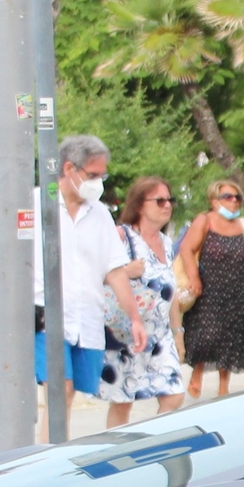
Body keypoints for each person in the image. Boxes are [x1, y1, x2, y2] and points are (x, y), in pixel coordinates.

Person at [34, 134, 143, 414]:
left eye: (102, 176)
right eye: (92, 175)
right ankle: (49, 455)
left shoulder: (100, 214)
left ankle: (54, 449)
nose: (98, 183)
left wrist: (134, 317)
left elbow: (115, 270)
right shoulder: (36, 205)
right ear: (69, 169)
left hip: (87, 319)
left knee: (70, 396)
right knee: (60, 390)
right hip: (47, 318)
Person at [101, 177, 189, 427]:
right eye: (159, 201)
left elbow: (170, 293)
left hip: (159, 336)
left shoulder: (166, 243)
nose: (167, 206)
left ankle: (152, 443)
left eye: (169, 200)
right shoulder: (122, 236)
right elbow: (94, 274)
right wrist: (125, 271)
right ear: (140, 205)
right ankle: (118, 455)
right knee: (122, 400)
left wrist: (178, 334)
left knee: (174, 394)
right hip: (126, 333)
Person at [175, 178, 244, 400]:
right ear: (214, 200)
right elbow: (187, 249)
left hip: (235, 289)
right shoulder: (204, 221)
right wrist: (194, 278)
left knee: (231, 336)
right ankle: (197, 374)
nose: (234, 201)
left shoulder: (241, 225)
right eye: (228, 197)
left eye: (237, 197)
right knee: (206, 334)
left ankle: (223, 386)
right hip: (209, 288)